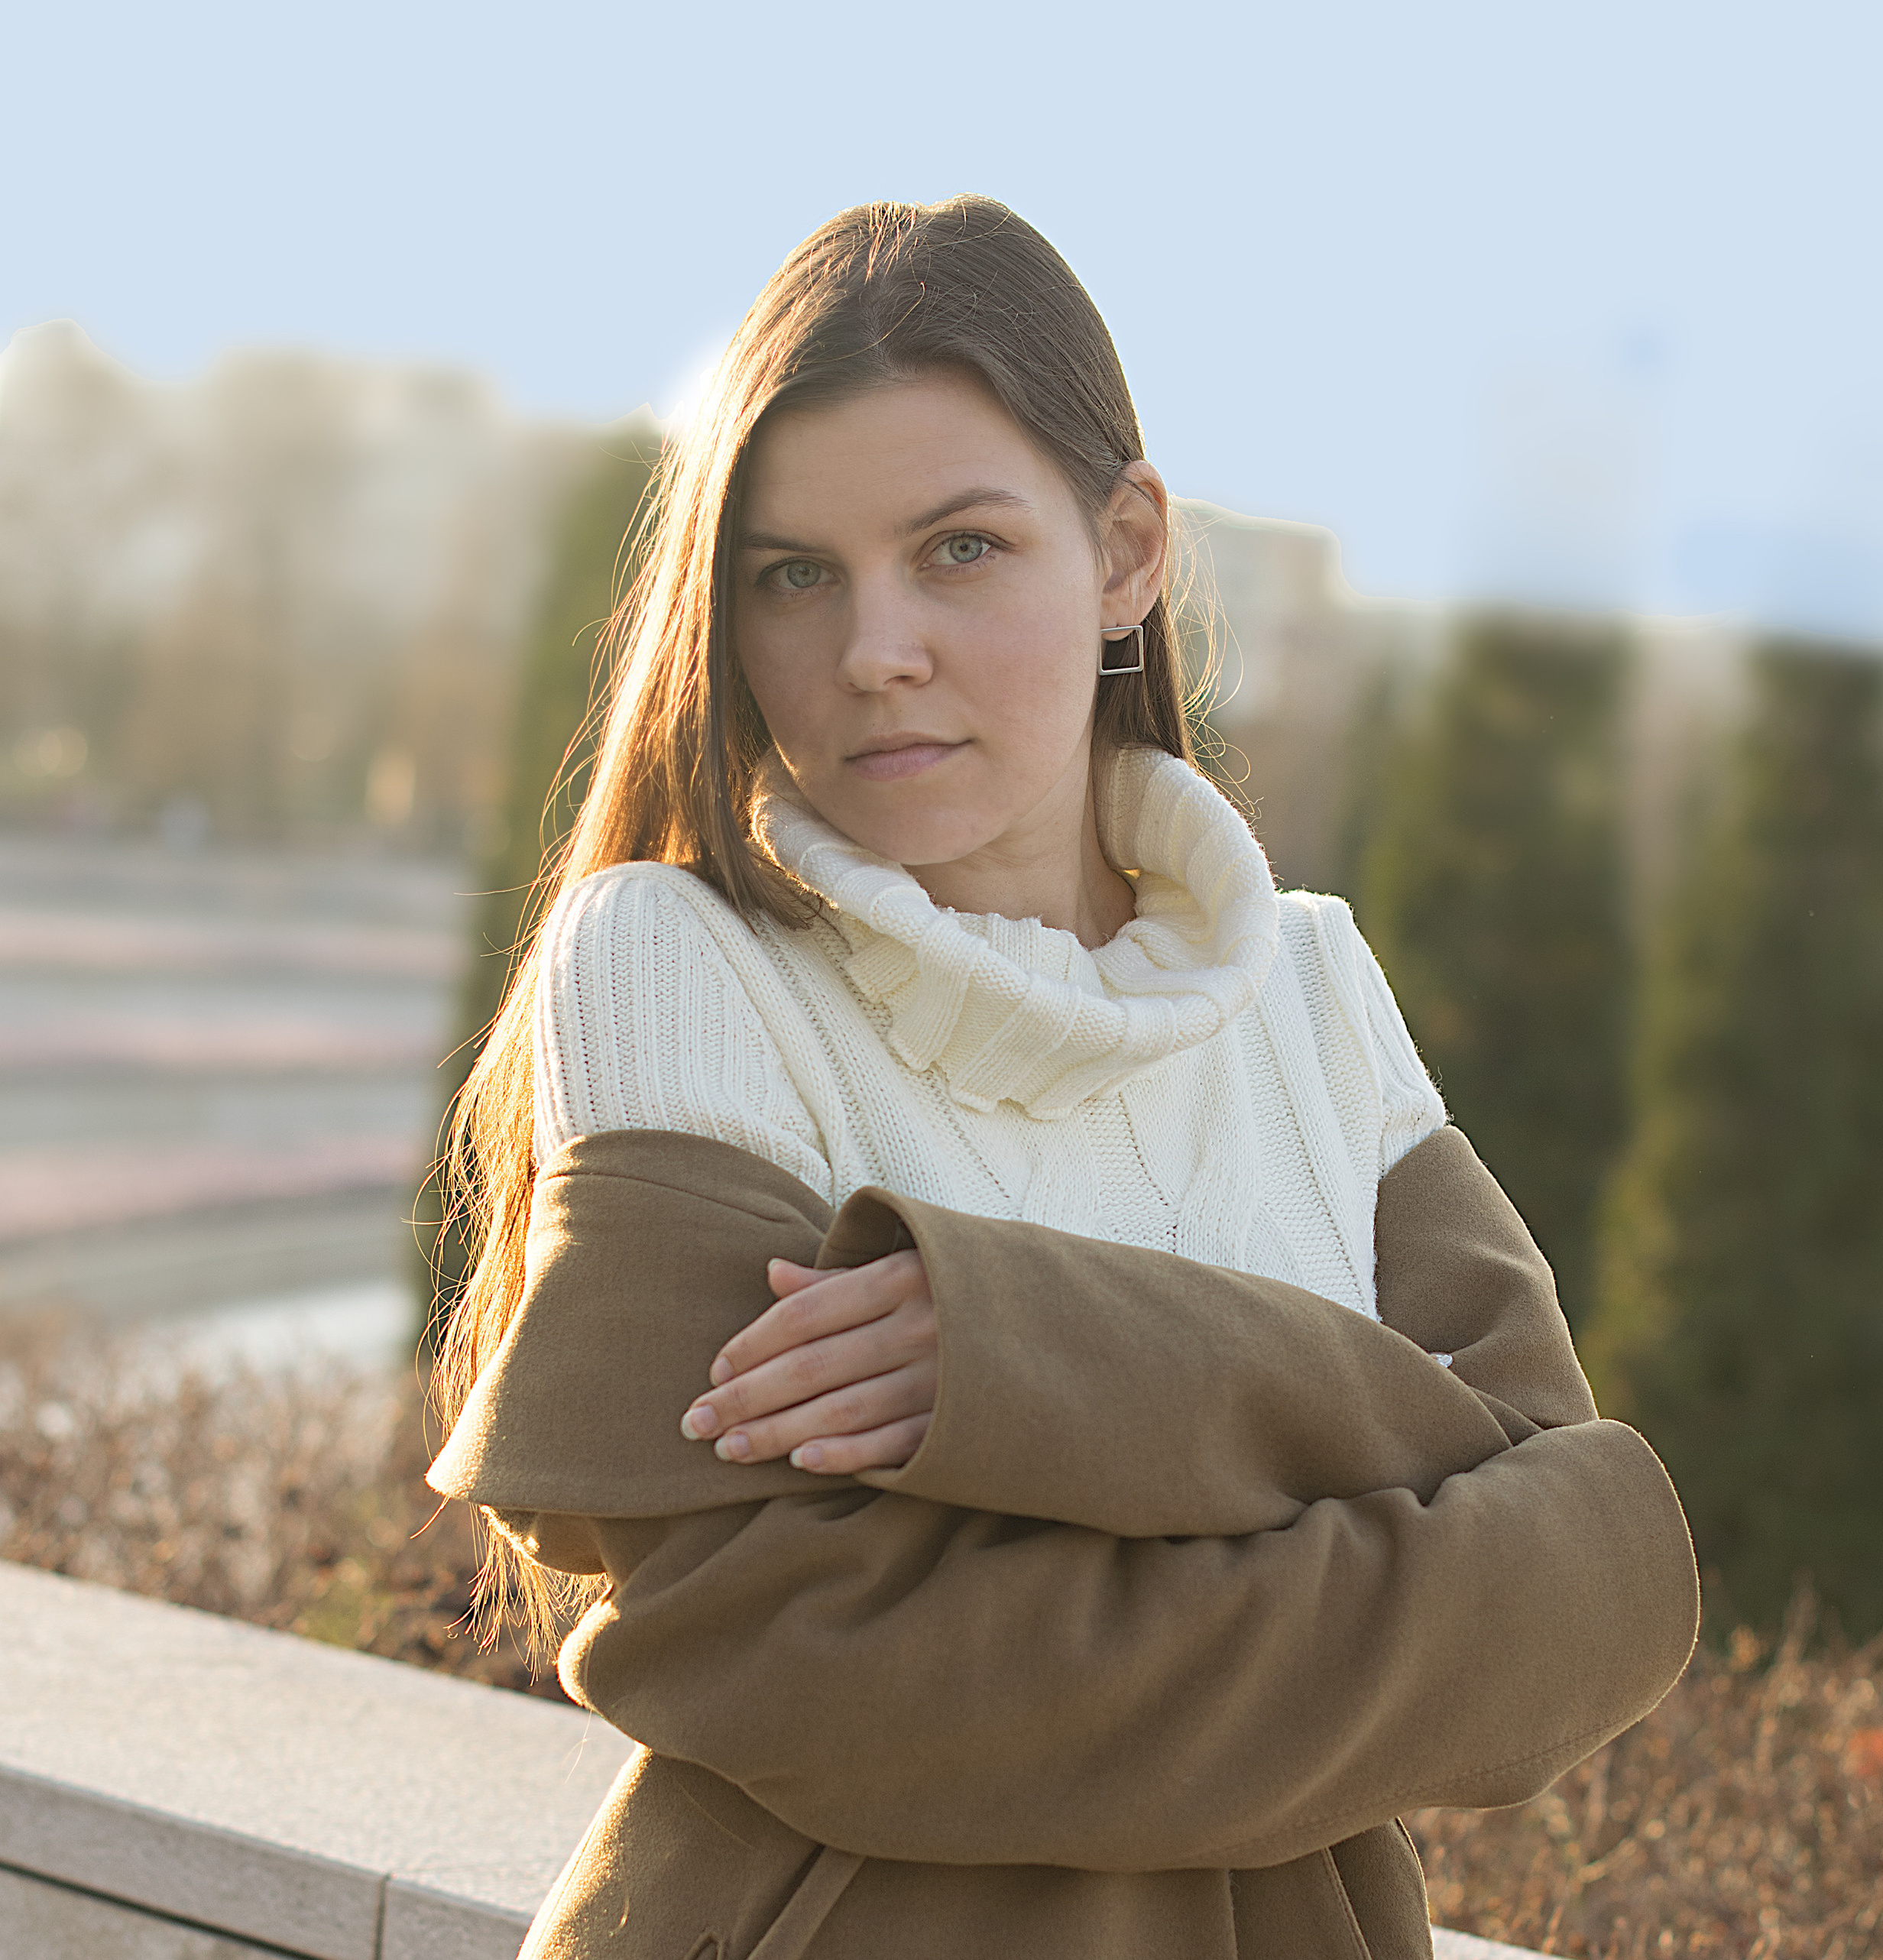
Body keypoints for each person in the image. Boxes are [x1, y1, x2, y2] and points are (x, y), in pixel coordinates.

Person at [429, 196, 1697, 1960]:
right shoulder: (674, 958)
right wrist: (1364, 1521)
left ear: (1124, 551)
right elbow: (774, 1641)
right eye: (792, 569)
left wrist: (1020, 1346)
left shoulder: (1312, 988)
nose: (875, 646)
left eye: (957, 548)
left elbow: (1589, 1578)